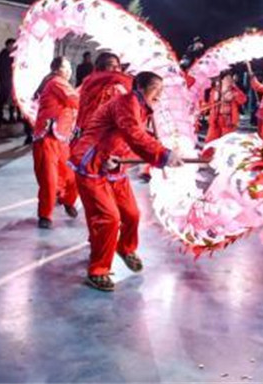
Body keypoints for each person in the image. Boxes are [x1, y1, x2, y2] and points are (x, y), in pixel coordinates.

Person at [69, 71, 184, 292]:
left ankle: (125, 248)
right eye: (155, 88)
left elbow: (136, 136)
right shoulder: (127, 102)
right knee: (108, 218)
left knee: (132, 214)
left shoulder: (141, 107)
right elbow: (133, 133)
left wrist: (163, 149)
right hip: (92, 163)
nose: (160, 93)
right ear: (140, 88)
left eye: (162, 89)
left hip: (114, 166)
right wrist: (165, 155)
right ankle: (97, 271)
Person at [32, 56, 80, 229]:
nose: (69, 71)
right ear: (58, 69)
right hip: (48, 138)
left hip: (61, 138)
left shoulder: (57, 83)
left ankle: (67, 200)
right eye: (67, 67)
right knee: (49, 179)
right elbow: (75, 100)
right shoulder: (56, 82)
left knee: (71, 175)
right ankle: (45, 214)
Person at [75, 52, 132, 135]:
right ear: (101, 67)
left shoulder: (121, 86)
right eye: (111, 65)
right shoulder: (89, 84)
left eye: (118, 66)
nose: (115, 69)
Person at [204, 73, 247, 143]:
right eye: (227, 79)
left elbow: (243, 100)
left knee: (227, 142)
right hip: (216, 119)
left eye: (230, 79)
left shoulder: (234, 91)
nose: (229, 81)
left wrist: (235, 92)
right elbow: (209, 104)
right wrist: (203, 111)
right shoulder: (215, 90)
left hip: (229, 120)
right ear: (222, 80)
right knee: (210, 141)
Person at [0, 38, 16, 126]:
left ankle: (10, 116)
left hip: (11, 81)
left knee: (12, 100)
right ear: (7, 45)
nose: (13, 47)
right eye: (11, 45)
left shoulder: (13, 55)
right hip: (6, 81)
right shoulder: (4, 55)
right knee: (2, 100)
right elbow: (2, 70)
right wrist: (4, 81)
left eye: (14, 45)